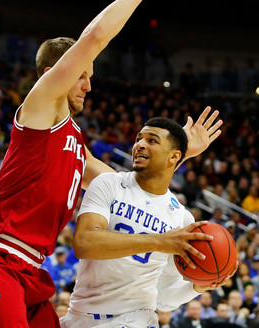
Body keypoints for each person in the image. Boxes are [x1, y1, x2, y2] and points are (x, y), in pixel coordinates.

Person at [0, 0, 166, 327]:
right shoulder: (41, 107)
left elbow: (124, 185)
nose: (88, 85)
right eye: (83, 75)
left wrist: (178, 154)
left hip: (29, 270)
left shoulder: (73, 142)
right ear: (56, 72)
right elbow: (95, 37)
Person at [60, 117, 232, 328]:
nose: (140, 144)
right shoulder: (109, 183)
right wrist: (158, 241)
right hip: (79, 316)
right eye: (139, 139)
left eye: (152, 140)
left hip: (135, 320)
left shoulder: (181, 219)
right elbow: (84, 243)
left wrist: (198, 286)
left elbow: (163, 299)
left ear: (174, 157)